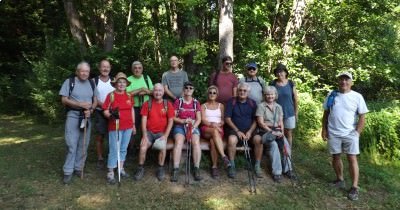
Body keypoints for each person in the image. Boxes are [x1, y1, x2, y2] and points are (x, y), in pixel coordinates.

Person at [321, 72, 368, 201]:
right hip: (333, 132)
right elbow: (326, 113)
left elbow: (362, 116)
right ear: (338, 81)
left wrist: (357, 132)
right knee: (335, 156)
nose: (344, 82)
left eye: (347, 79)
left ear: (351, 82)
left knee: (351, 158)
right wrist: (323, 129)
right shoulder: (332, 95)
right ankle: (340, 179)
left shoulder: (357, 97)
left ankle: (354, 187)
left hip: (350, 133)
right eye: (341, 79)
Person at [59, 61, 98, 184]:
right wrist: (79, 104)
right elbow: (64, 100)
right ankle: (68, 171)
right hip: (73, 115)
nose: (85, 73)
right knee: (71, 144)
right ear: (77, 71)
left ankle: (78, 168)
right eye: (82, 71)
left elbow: (95, 100)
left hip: (86, 117)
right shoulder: (70, 82)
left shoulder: (91, 83)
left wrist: (91, 110)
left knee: (83, 145)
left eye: (87, 71)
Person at [133, 83, 174, 181]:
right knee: (143, 147)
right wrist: (144, 135)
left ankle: (160, 168)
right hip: (149, 132)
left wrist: (165, 136)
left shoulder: (167, 104)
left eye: (160, 90)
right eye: (156, 90)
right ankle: (140, 168)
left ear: (163, 92)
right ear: (153, 92)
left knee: (162, 148)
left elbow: (171, 121)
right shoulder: (147, 103)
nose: (158, 92)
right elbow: (143, 120)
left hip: (161, 133)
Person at [256, 86, 295, 182]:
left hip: (278, 131)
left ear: (275, 95)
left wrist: (281, 132)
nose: (270, 96)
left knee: (286, 145)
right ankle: (277, 173)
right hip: (265, 132)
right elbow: (260, 123)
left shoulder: (279, 107)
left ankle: (288, 169)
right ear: (264, 95)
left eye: (272, 94)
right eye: (268, 94)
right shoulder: (261, 106)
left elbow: (281, 122)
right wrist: (271, 131)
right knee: (273, 146)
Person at [102, 72, 136, 184]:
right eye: (119, 82)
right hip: (115, 126)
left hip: (128, 126)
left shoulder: (129, 95)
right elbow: (105, 110)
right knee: (114, 149)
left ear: (126, 84)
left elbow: (131, 110)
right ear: (115, 84)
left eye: (123, 82)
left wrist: (134, 124)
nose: (121, 84)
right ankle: (111, 171)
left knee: (123, 148)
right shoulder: (110, 95)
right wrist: (111, 115)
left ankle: (121, 168)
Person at [225, 82, 261, 178]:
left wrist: (249, 131)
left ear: (248, 92)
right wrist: (237, 131)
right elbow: (227, 118)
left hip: (249, 130)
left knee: (258, 139)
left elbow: (255, 120)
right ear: (237, 91)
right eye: (240, 90)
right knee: (232, 140)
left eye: (244, 91)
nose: (242, 92)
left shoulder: (252, 103)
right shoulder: (231, 102)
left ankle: (257, 165)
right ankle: (232, 165)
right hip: (235, 130)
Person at [171, 81, 202, 182]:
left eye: (191, 88)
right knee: (179, 142)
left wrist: (193, 127)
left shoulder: (196, 103)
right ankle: (175, 169)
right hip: (180, 126)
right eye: (186, 88)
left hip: (193, 126)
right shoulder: (178, 102)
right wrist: (183, 121)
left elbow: (199, 119)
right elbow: (173, 117)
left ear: (193, 90)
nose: (188, 89)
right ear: (183, 89)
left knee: (196, 143)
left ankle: (196, 169)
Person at [200, 85, 231, 178]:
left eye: (214, 93)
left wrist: (218, 125)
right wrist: (212, 124)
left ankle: (214, 167)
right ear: (208, 94)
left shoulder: (221, 106)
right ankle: (223, 156)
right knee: (214, 132)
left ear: (217, 94)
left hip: (218, 129)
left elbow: (223, 119)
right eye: (210, 92)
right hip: (206, 129)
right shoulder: (203, 106)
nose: (212, 94)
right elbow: (203, 120)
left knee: (213, 142)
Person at [270, 63, 299, 146]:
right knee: (276, 132)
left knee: (288, 133)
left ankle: (288, 153)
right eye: (277, 72)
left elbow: (295, 99)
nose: (279, 74)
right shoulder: (273, 83)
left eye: (281, 71)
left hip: (289, 112)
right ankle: (279, 151)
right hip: (276, 113)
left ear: (285, 73)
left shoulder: (290, 83)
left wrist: (296, 112)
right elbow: (268, 97)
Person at [93, 59, 115, 169]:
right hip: (99, 112)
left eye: (107, 67)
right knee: (100, 136)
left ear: (110, 68)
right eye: (103, 66)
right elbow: (94, 99)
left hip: (112, 112)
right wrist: (105, 106)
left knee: (113, 136)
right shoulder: (94, 81)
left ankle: (112, 157)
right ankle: (100, 158)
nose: (105, 69)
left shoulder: (114, 81)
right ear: (99, 68)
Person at [126, 61, 154, 133]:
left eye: (139, 68)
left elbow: (153, 91)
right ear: (132, 69)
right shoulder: (128, 79)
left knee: (147, 127)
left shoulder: (146, 78)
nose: (137, 70)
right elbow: (127, 94)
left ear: (142, 69)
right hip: (133, 108)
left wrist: (144, 92)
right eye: (135, 68)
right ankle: (131, 144)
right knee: (133, 128)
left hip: (147, 107)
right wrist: (141, 89)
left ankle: (145, 143)